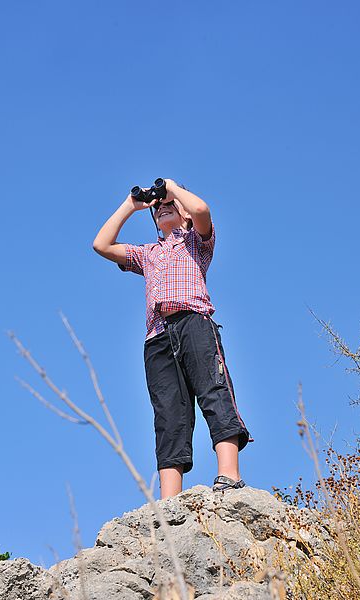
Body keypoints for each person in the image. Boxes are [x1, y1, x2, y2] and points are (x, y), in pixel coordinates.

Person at [92, 178, 253, 499]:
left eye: (171, 206)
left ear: (185, 216)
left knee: (213, 391)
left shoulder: (196, 242)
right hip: (157, 337)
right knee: (168, 414)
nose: (163, 208)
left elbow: (201, 209)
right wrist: (131, 205)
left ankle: (229, 475)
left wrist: (172, 187)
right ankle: (170, 500)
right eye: (158, 208)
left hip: (193, 321)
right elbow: (102, 245)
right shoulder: (147, 253)